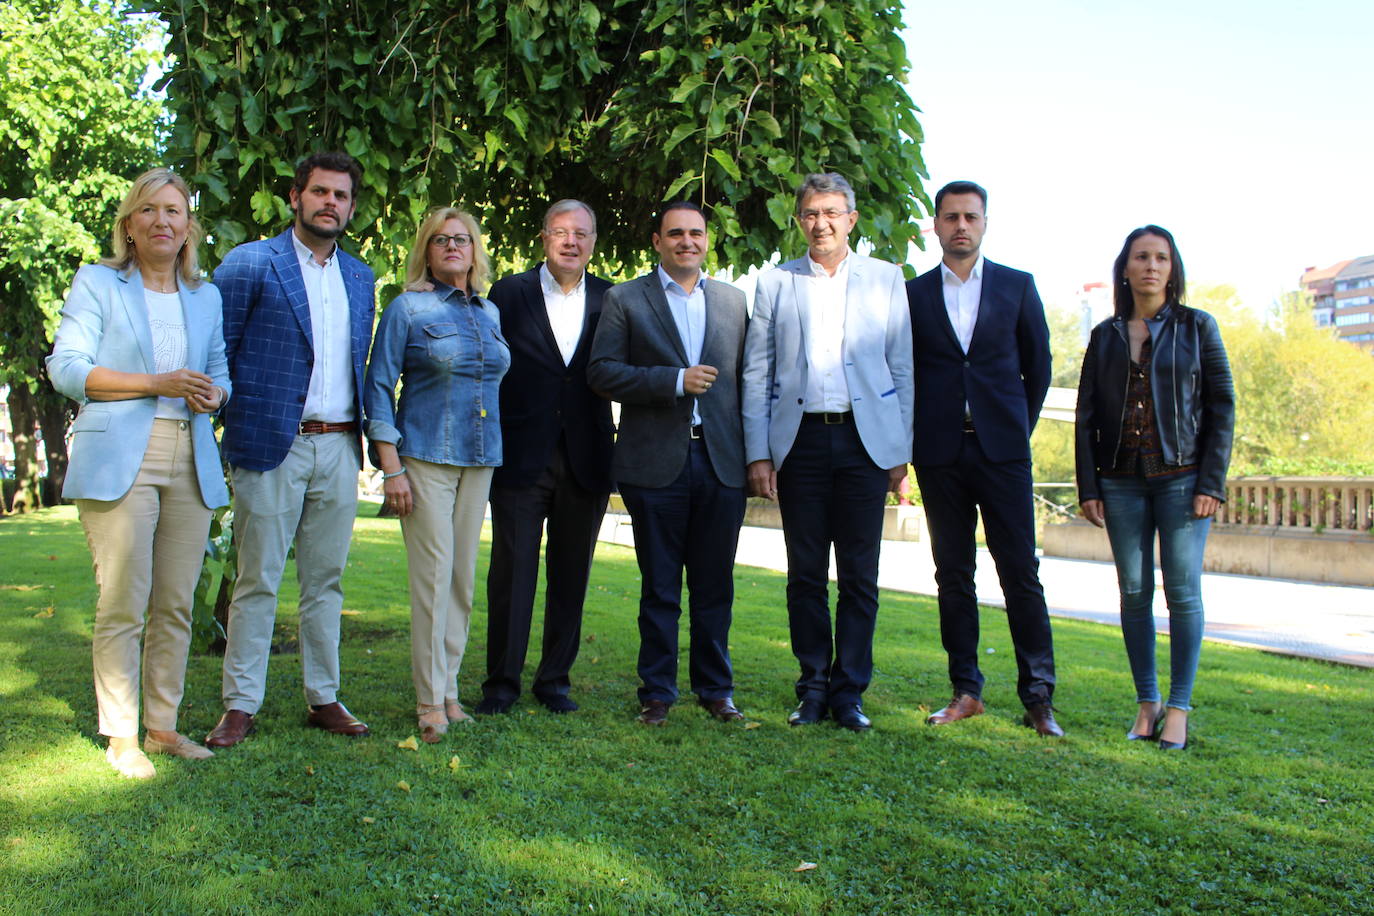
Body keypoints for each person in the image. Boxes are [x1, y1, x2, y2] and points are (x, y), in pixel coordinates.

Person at [47, 167, 230, 778]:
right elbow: (68, 369)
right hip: (122, 452)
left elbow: (220, 372)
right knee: (124, 599)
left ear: (188, 228)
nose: (162, 221)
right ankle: (121, 735)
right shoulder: (99, 283)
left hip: (190, 454)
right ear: (129, 224)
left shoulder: (206, 297)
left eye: (174, 211)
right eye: (149, 210)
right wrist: (157, 384)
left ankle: (162, 727)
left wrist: (214, 396)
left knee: (177, 602)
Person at [205, 152, 376, 748]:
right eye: (321, 192)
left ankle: (323, 697)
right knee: (257, 580)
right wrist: (235, 423)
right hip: (271, 445)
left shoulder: (360, 277)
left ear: (351, 207)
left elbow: (362, 363)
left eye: (342, 195)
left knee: (326, 582)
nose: (331, 203)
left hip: (339, 446)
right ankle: (240, 704)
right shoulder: (251, 263)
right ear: (297, 197)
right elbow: (217, 352)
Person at [741, 173, 913, 731]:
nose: (823, 223)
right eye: (812, 213)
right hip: (801, 443)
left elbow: (902, 369)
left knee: (861, 576)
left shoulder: (887, 279)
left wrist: (899, 450)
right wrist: (758, 452)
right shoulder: (774, 283)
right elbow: (757, 371)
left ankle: (849, 694)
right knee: (806, 573)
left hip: (866, 444)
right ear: (800, 221)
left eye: (833, 212)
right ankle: (812, 686)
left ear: (852, 220)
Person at [906, 180, 1062, 737]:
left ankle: (1038, 697)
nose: (961, 226)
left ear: (985, 222)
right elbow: (907, 374)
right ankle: (966, 690)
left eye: (970, 216)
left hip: (1002, 452)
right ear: (937, 225)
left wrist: (1016, 428)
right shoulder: (915, 295)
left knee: (1021, 572)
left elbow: (1038, 369)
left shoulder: (1018, 287)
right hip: (941, 452)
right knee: (954, 575)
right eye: (950, 217)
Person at [586, 202, 749, 726]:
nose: (686, 241)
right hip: (654, 464)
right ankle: (656, 692)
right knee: (659, 585)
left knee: (715, 584)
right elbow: (603, 372)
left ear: (707, 241)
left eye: (696, 233)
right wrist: (674, 381)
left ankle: (716, 688)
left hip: (722, 461)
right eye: (675, 233)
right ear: (657, 241)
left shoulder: (732, 301)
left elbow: (750, 382)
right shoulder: (625, 299)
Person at [1076, 225, 1234, 751]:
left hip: (1184, 479)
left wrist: (1211, 480)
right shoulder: (1105, 336)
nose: (1151, 266)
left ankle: (1180, 710)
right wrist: (1088, 486)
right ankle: (1148, 704)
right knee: (1134, 592)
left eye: (1161, 258)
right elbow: (1086, 416)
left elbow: (1221, 408)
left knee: (1183, 593)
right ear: (1125, 268)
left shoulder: (1198, 327)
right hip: (1120, 481)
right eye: (1141, 257)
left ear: (1173, 268)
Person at [364, 207, 510, 742]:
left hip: (480, 460)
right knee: (431, 580)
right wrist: (391, 467)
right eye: (441, 240)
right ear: (426, 250)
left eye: (462, 239)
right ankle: (429, 701)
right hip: (424, 457)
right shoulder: (407, 309)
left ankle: (450, 691)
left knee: (461, 583)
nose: (453, 247)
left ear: (475, 250)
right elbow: (378, 387)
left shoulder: (490, 314)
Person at [476, 200, 614, 716]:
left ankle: (554, 680)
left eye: (581, 233)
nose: (571, 242)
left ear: (593, 242)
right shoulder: (507, 294)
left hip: (588, 455)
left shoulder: (611, 299)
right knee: (511, 572)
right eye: (561, 232)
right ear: (544, 238)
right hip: (519, 454)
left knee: (571, 572)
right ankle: (501, 684)